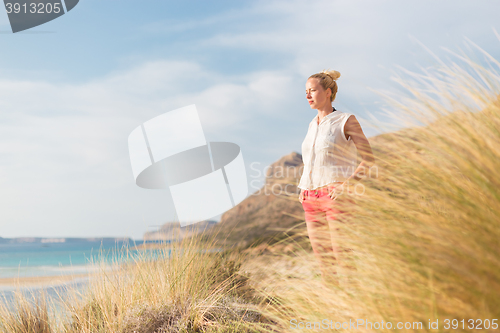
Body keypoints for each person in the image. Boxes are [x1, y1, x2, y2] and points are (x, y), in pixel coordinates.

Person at [298, 69, 374, 284]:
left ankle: (356, 311)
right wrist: (304, 187)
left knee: (344, 260)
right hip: (310, 199)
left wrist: (346, 186)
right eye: (306, 92)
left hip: (336, 197)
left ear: (328, 92)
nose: (308, 96)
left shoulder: (345, 120)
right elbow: (310, 160)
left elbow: (369, 159)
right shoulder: (312, 124)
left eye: (312, 90)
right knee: (325, 265)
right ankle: (331, 314)